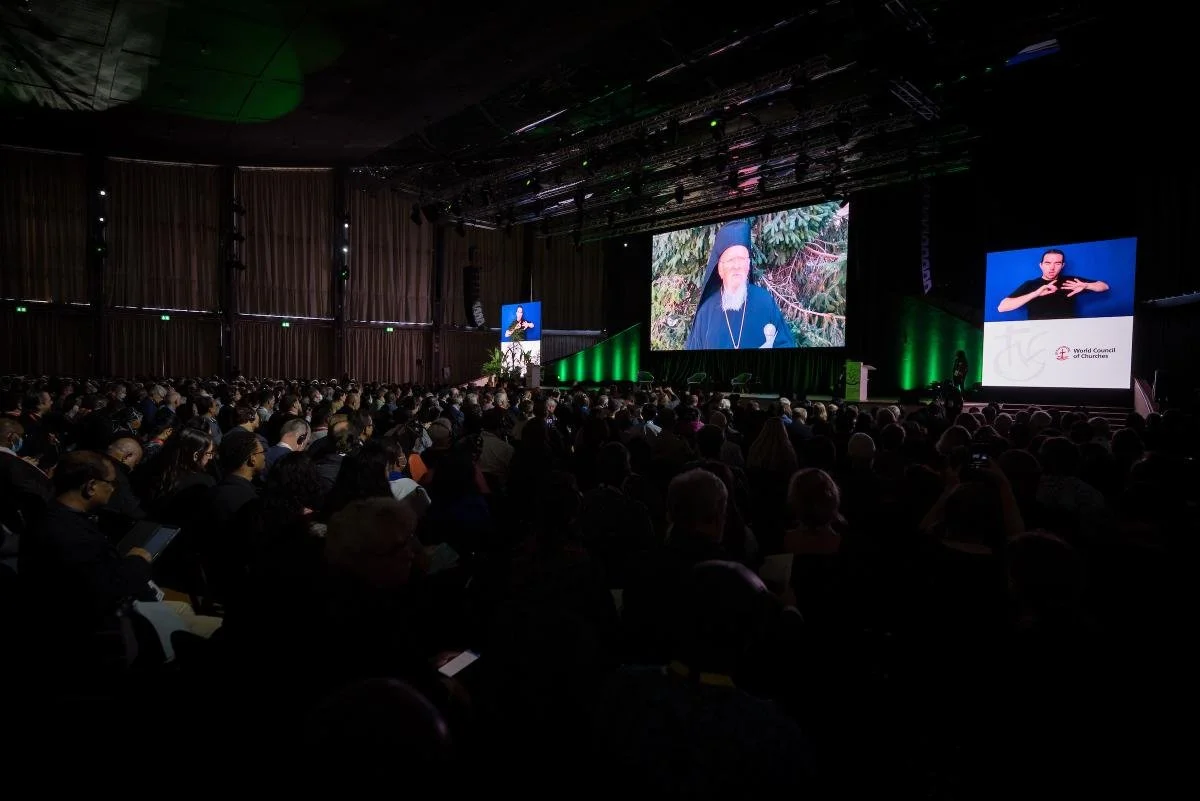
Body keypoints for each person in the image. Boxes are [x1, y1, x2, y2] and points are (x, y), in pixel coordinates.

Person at [684, 220, 794, 350]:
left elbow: (786, 345)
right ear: (720, 269)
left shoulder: (764, 301)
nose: (737, 266)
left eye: (742, 259)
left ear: (748, 266)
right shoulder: (705, 312)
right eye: (731, 260)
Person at [996, 248, 1109, 319]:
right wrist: (1035, 294)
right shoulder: (1030, 284)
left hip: (1068, 332)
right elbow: (1002, 307)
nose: (1052, 268)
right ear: (1041, 265)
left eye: (1057, 263)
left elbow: (1104, 286)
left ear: (1062, 265)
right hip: (1038, 334)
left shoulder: (1072, 281)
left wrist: (1087, 285)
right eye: (1048, 263)